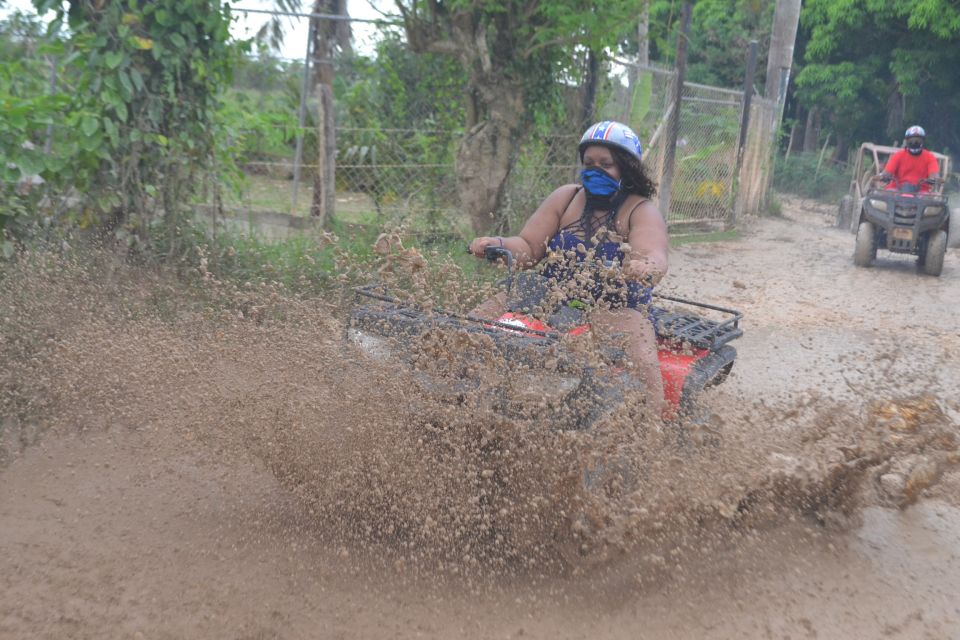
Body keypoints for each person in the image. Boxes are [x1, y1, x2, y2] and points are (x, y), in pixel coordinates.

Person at [467, 121, 668, 412]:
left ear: (626, 168)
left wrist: (645, 266)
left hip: (614, 308)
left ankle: (652, 425)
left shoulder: (640, 210)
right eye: (589, 163)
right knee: (472, 323)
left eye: (605, 164)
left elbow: (654, 253)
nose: (595, 170)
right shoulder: (567, 197)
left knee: (642, 356)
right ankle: (452, 385)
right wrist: (496, 243)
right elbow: (528, 247)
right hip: (549, 295)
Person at [880, 125, 940, 192]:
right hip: (897, 189)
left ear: (923, 141)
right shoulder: (898, 155)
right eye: (911, 141)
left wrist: (934, 179)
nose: (914, 143)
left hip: (921, 192)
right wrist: (884, 176)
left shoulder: (930, 157)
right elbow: (887, 171)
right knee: (883, 198)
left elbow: (934, 174)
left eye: (917, 141)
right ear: (906, 141)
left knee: (933, 200)